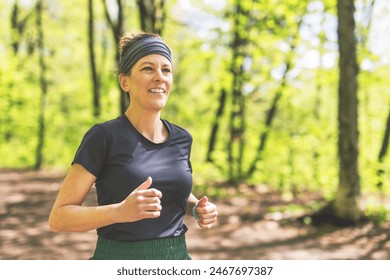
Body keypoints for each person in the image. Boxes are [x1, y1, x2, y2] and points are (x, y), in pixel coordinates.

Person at [48, 32, 218, 260]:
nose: (159, 77)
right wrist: (119, 212)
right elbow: (59, 218)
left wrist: (196, 207)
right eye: (148, 68)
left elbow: (170, 192)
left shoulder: (182, 139)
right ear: (124, 81)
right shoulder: (104, 137)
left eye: (166, 70)